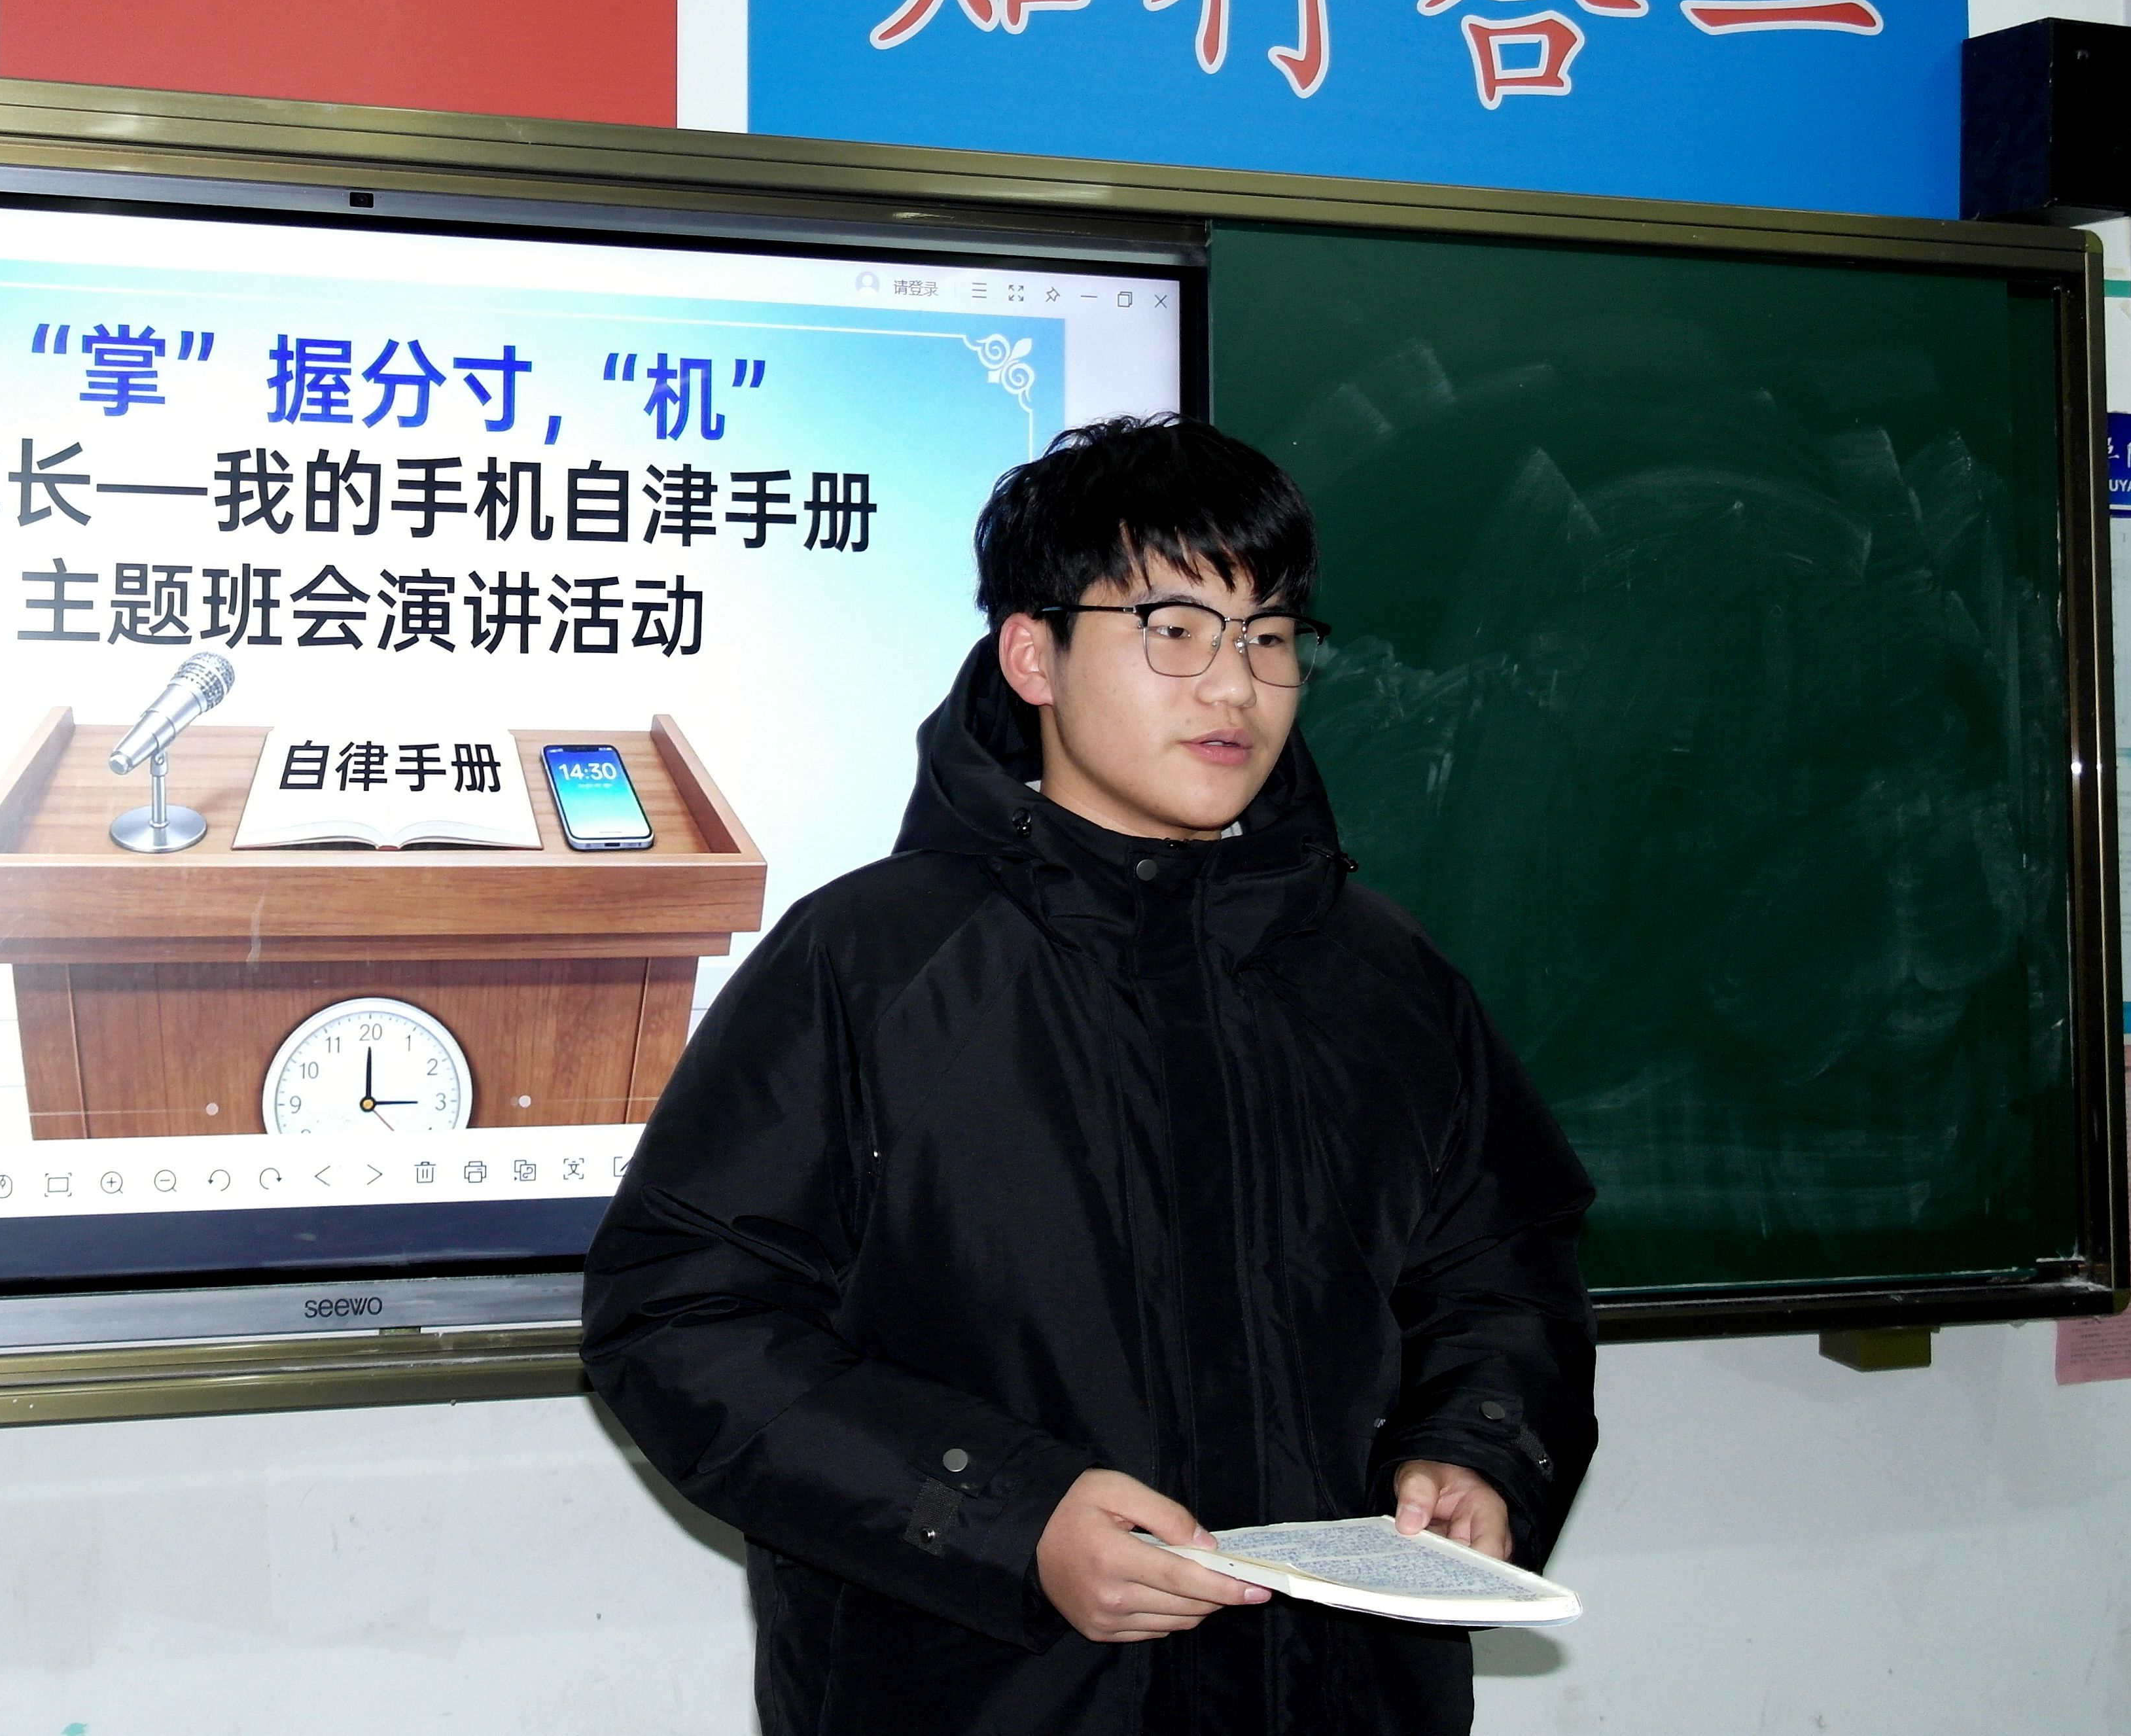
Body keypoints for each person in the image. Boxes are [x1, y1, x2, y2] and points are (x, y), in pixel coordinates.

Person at [584, 414, 1598, 1736]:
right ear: (1033, 656)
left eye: (1269, 635)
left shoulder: (1381, 972)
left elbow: (1501, 1275)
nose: (1233, 687)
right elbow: (686, 1318)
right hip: (984, 1696)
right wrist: (1009, 1517)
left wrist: (1476, 1451)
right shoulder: (870, 964)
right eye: (1174, 630)